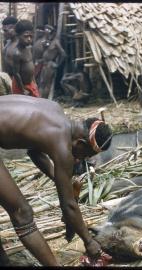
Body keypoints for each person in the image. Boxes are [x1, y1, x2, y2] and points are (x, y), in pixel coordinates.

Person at [0, 95, 113, 266]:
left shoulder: (55, 110)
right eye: (86, 155)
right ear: (80, 143)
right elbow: (68, 206)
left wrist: (59, 180)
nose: (81, 159)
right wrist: (89, 241)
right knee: (22, 214)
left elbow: (34, 150)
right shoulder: (63, 147)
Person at [12, 20, 40, 97]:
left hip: (31, 83)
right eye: (26, 36)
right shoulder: (17, 53)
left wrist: (34, 83)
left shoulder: (29, 49)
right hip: (20, 86)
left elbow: (31, 69)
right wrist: (23, 89)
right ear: (18, 36)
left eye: (30, 36)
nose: (29, 39)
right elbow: (16, 73)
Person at [39, 24, 66, 99]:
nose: (46, 32)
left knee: (47, 84)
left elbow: (63, 54)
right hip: (44, 64)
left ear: (52, 32)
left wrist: (58, 64)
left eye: (48, 30)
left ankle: (44, 100)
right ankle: (41, 99)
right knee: (42, 83)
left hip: (50, 64)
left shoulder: (56, 42)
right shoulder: (47, 41)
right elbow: (44, 53)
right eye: (45, 30)